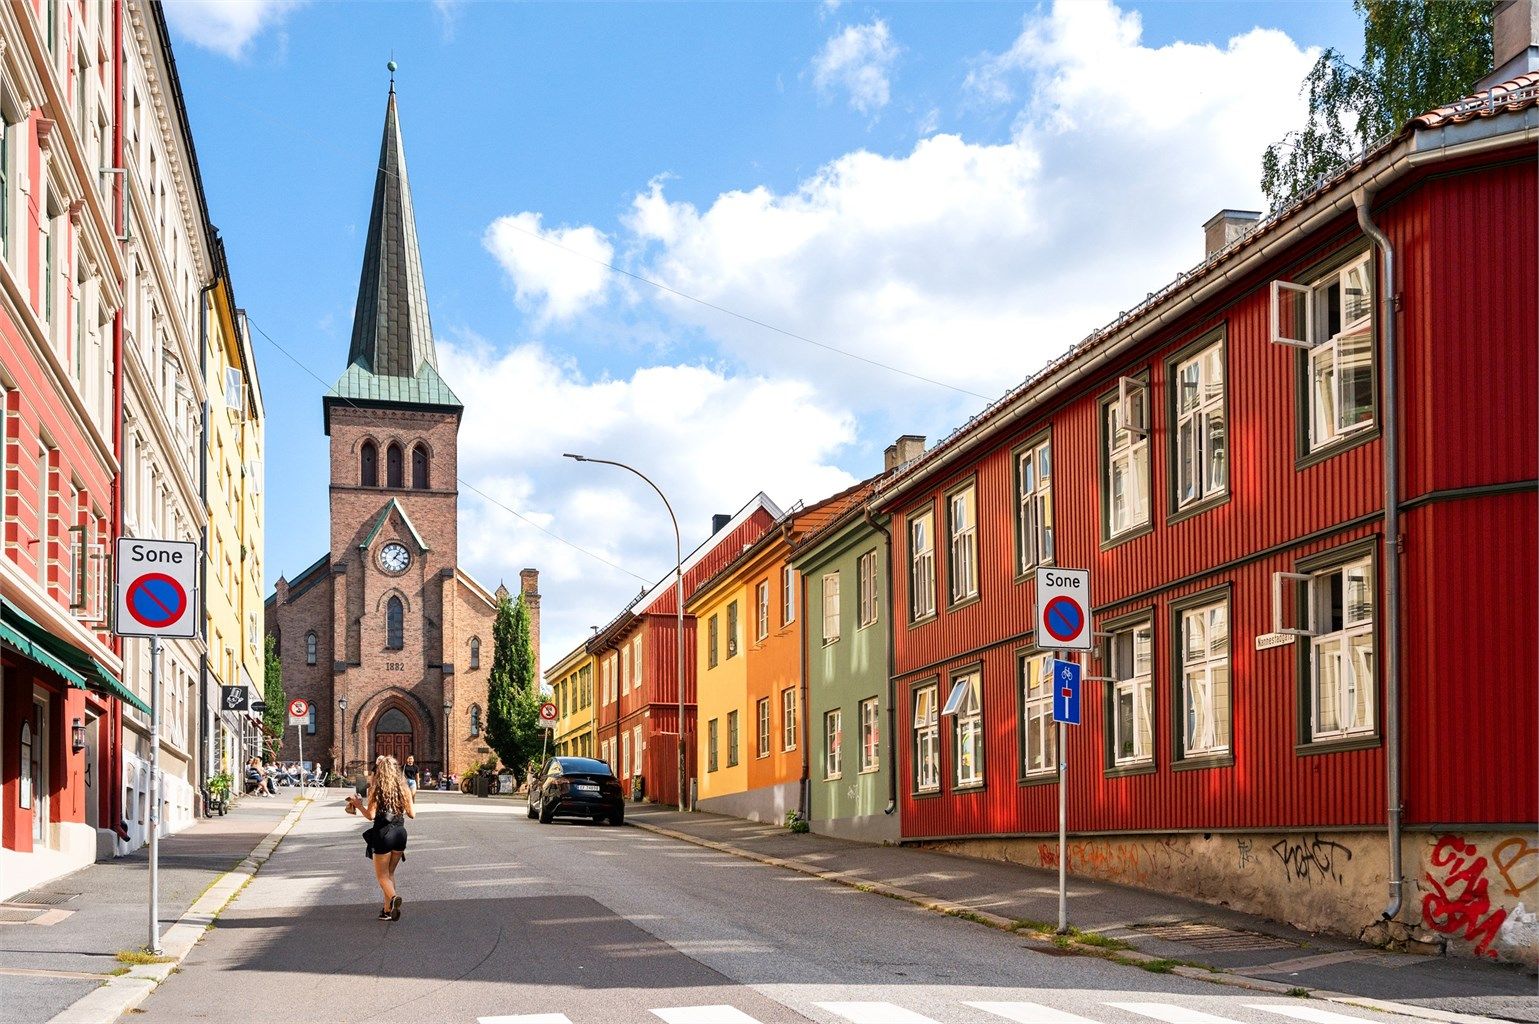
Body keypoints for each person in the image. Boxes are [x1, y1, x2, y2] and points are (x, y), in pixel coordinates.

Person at [345, 755, 415, 921]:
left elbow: (371, 815)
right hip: (400, 834)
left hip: (383, 835)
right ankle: (387, 910)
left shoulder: (376, 789)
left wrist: (358, 805)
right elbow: (412, 814)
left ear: (381, 771)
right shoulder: (404, 789)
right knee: (390, 874)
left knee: (382, 876)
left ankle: (394, 898)